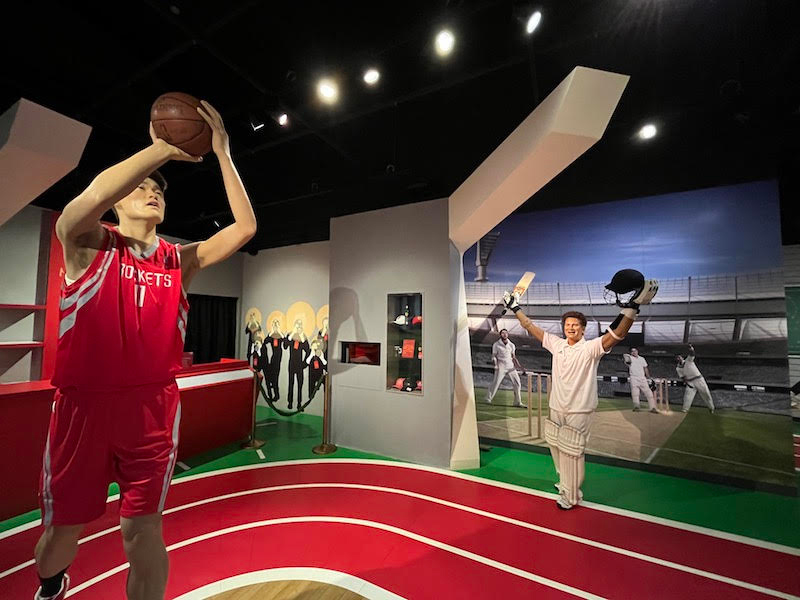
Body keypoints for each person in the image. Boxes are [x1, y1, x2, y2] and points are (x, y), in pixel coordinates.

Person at [34, 101, 257, 600]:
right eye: (141, 187)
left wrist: (222, 152)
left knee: (143, 531)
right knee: (61, 537)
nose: (152, 192)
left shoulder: (179, 260)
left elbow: (245, 229)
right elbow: (91, 197)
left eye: (159, 190)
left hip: (152, 410)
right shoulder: (85, 243)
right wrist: (160, 150)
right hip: (83, 408)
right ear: (118, 201)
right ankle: (51, 582)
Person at [503, 269, 658, 510]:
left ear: (583, 329)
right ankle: (565, 483)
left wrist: (633, 307)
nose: (571, 328)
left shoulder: (591, 348)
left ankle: (572, 495)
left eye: (575, 325)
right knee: (555, 444)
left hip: (580, 409)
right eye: (568, 325)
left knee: (572, 450)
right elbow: (530, 326)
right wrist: (515, 308)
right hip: (557, 406)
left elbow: (617, 334)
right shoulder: (556, 344)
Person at [486, 328, 526, 408]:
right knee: (496, 382)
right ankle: (488, 398)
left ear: (508, 334)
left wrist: (520, 367)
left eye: (506, 333)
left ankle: (517, 402)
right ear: (500, 335)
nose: (504, 335)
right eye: (503, 333)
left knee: (517, 383)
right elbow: (494, 356)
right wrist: (496, 364)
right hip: (501, 365)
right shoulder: (496, 344)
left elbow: (513, 357)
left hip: (510, 365)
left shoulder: (511, 345)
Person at [675, 344, 715, 413]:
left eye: (679, 357)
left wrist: (691, 348)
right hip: (690, 382)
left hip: (699, 379)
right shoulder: (678, 368)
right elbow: (683, 377)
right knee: (687, 396)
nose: (678, 358)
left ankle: (711, 408)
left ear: (682, 357)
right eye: (676, 358)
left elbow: (692, 354)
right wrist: (687, 384)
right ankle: (685, 409)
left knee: (706, 394)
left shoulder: (688, 360)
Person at [623, 347, 657, 412]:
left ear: (637, 351)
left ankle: (652, 408)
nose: (634, 352)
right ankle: (636, 407)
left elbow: (645, 368)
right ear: (631, 353)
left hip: (642, 377)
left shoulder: (642, 358)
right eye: (632, 351)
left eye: (635, 350)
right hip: (634, 377)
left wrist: (648, 377)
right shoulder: (630, 358)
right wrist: (627, 357)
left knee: (649, 393)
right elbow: (627, 362)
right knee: (635, 393)